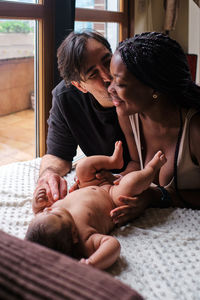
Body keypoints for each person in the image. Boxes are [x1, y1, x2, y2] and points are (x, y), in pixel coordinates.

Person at [26, 141, 166, 270]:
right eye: (55, 213)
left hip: (88, 184)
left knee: (83, 167)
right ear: (74, 235)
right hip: (112, 196)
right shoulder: (85, 239)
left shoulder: (48, 220)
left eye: (45, 211)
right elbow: (112, 245)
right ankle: (152, 169)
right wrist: (93, 263)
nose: (49, 209)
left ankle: (113, 161)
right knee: (130, 184)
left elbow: (41, 212)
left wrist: (37, 204)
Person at [33, 30, 131, 214]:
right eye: (93, 74)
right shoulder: (66, 98)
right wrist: (48, 175)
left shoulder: (136, 81)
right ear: (79, 86)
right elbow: (58, 155)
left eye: (107, 61)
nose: (108, 77)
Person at [107, 32, 200, 226]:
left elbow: (155, 193)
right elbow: (135, 162)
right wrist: (114, 181)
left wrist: (157, 196)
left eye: (120, 83)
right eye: (112, 79)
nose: (110, 89)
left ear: (155, 89)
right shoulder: (127, 113)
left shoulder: (195, 130)